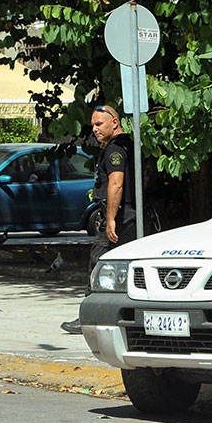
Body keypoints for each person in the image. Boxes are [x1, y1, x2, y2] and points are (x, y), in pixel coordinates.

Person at [61, 105, 137, 334]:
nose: (94, 129)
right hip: (132, 215)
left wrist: (111, 218)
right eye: (93, 125)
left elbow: (116, 183)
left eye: (99, 124)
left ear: (115, 122)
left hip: (121, 216)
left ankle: (87, 318)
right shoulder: (128, 144)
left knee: (99, 263)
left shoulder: (116, 149)